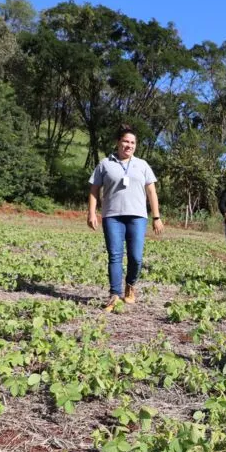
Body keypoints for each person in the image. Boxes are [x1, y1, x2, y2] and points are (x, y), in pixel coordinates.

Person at [87, 124, 164, 312]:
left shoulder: (142, 165)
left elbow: (152, 192)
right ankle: (114, 294)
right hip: (112, 216)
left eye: (132, 142)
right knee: (115, 255)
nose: (129, 145)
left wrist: (156, 217)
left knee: (136, 257)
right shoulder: (105, 164)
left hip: (137, 217)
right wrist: (91, 212)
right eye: (125, 141)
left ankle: (130, 284)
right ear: (118, 142)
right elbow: (94, 189)